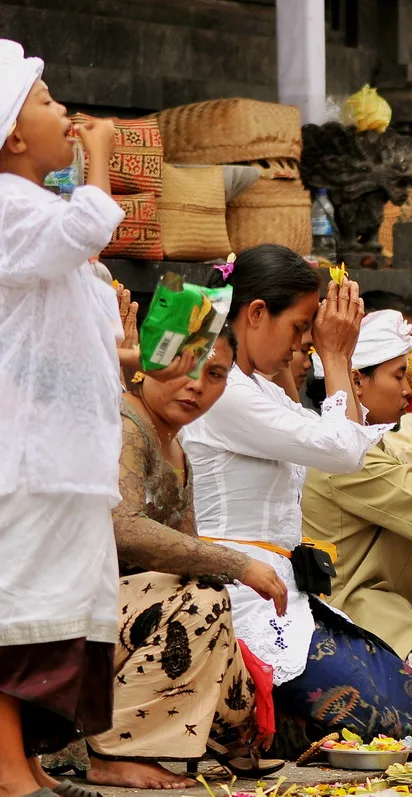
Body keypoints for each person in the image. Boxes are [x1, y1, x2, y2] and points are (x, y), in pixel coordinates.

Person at [182, 245, 412, 758]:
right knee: (411, 726)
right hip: (241, 593)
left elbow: (344, 437)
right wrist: (336, 357)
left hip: (284, 592)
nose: (301, 344)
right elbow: (342, 449)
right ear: (256, 313)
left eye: (310, 334)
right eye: (299, 327)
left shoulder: (256, 387)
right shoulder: (225, 391)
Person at [0, 40, 130, 797]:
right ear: (14, 133)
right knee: (14, 611)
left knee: (51, 610)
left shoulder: (34, 210)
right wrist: (100, 163)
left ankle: (28, 761)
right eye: (47, 101)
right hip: (26, 457)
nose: (66, 113)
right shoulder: (9, 205)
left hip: (59, 453)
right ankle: (8, 769)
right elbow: (87, 229)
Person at [74, 329, 286, 789]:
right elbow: (122, 526)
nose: (196, 385)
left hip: (122, 615)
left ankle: (216, 737)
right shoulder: (126, 424)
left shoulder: (176, 447)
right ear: (149, 362)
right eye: (183, 367)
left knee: (216, 615)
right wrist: (238, 564)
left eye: (213, 374)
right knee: (206, 596)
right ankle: (112, 751)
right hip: (77, 612)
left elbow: (186, 558)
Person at [302, 314, 412, 662]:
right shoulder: (344, 463)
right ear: (356, 381)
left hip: (394, 615)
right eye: (398, 376)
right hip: (363, 624)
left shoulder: (369, 447)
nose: (408, 390)